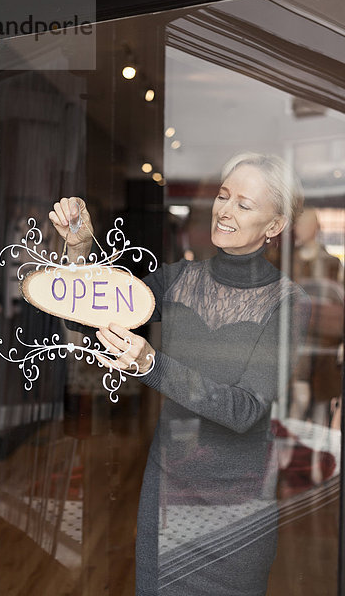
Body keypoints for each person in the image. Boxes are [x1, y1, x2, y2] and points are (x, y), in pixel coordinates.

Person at [49, 152, 311, 596]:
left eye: (244, 205)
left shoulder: (287, 303)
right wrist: (79, 250)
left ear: (275, 226)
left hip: (238, 508)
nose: (225, 210)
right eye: (223, 197)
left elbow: (244, 409)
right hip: (168, 494)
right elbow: (89, 315)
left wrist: (152, 364)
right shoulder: (176, 280)